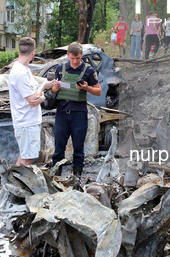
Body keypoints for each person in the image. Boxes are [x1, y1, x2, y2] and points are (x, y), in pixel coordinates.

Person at [50, 42, 102, 176]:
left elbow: (98, 91)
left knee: (78, 149)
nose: (75, 61)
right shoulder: (60, 68)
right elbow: (52, 89)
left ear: (81, 56)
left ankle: (77, 179)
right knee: (58, 150)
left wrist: (86, 88)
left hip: (79, 114)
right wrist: (54, 89)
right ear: (67, 55)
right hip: (62, 113)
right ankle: (56, 179)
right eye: (72, 58)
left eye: (78, 58)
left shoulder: (88, 70)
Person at [8, 37, 55, 166]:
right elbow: (33, 100)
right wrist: (43, 87)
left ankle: (13, 184)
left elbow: (35, 97)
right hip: (26, 122)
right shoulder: (20, 73)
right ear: (33, 52)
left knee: (24, 156)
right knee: (27, 159)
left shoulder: (24, 69)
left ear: (19, 51)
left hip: (26, 121)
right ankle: (18, 185)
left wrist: (41, 96)